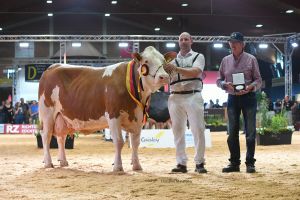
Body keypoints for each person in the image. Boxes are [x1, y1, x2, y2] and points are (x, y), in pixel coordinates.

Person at [216, 32, 262, 173]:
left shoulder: (251, 59)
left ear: (243, 44)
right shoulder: (225, 60)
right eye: (231, 42)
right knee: (232, 132)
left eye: (236, 42)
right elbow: (218, 80)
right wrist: (225, 85)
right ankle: (234, 163)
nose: (233, 44)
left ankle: (250, 163)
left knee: (250, 132)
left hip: (249, 98)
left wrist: (250, 87)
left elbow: (258, 80)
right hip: (232, 98)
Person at [164, 32, 207, 173]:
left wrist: (175, 69)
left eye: (186, 39)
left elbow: (195, 72)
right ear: (178, 42)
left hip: (193, 95)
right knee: (177, 130)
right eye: (181, 39)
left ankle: (199, 163)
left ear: (191, 41)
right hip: (175, 97)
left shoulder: (198, 56)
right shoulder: (169, 61)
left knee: (198, 129)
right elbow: (164, 77)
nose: (183, 41)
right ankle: (181, 163)